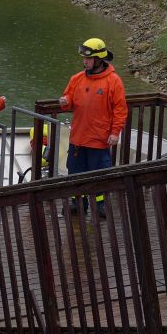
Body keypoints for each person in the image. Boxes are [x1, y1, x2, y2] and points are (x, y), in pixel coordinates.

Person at [58, 37, 127, 218]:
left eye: (88, 59)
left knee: (98, 174)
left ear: (99, 59)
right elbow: (68, 99)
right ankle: (77, 203)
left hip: (99, 138)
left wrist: (115, 132)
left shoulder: (113, 81)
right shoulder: (77, 79)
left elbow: (120, 109)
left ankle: (100, 206)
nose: (85, 62)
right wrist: (65, 101)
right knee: (75, 173)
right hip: (78, 138)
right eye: (84, 59)